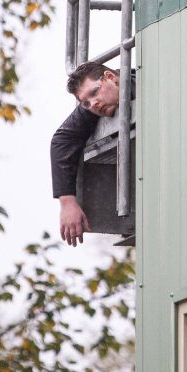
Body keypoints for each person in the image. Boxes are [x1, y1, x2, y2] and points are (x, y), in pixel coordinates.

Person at [50, 61, 122, 246]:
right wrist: (67, 202)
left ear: (111, 78)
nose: (93, 104)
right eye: (86, 102)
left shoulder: (146, 79)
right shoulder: (95, 106)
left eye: (94, 92)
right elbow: (62, 140)